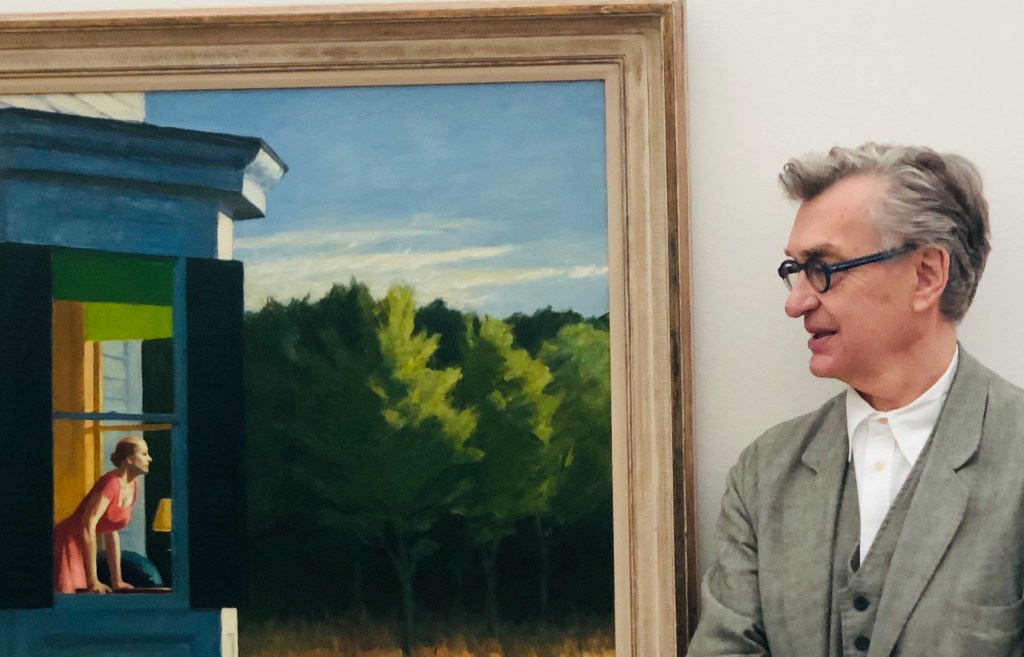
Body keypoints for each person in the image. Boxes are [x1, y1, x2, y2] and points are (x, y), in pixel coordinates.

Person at [688, 144, 1024, 656]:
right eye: (795, 270)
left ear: (926, 275)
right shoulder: (763, 474)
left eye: (823, 267)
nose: (795, 302)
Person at [53, 436, 153, 594]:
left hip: (81, 546)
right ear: (129, 459)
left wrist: (117, 581)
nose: (150, 459)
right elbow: (87, 525)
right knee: (68, 596)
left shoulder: (133, 486)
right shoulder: (111, 483)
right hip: (66, 542)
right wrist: (93, 581)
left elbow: (111, 531)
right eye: (144, 454)